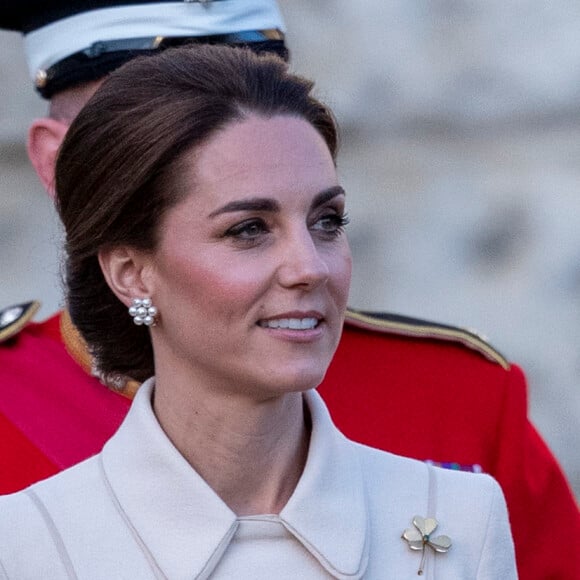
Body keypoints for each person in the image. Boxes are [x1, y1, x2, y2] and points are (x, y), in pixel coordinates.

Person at [0, 2, 577, 578]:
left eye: (328, 220)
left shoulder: (458, 455)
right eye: (247, 229)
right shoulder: (23, 529)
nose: (307, 268)